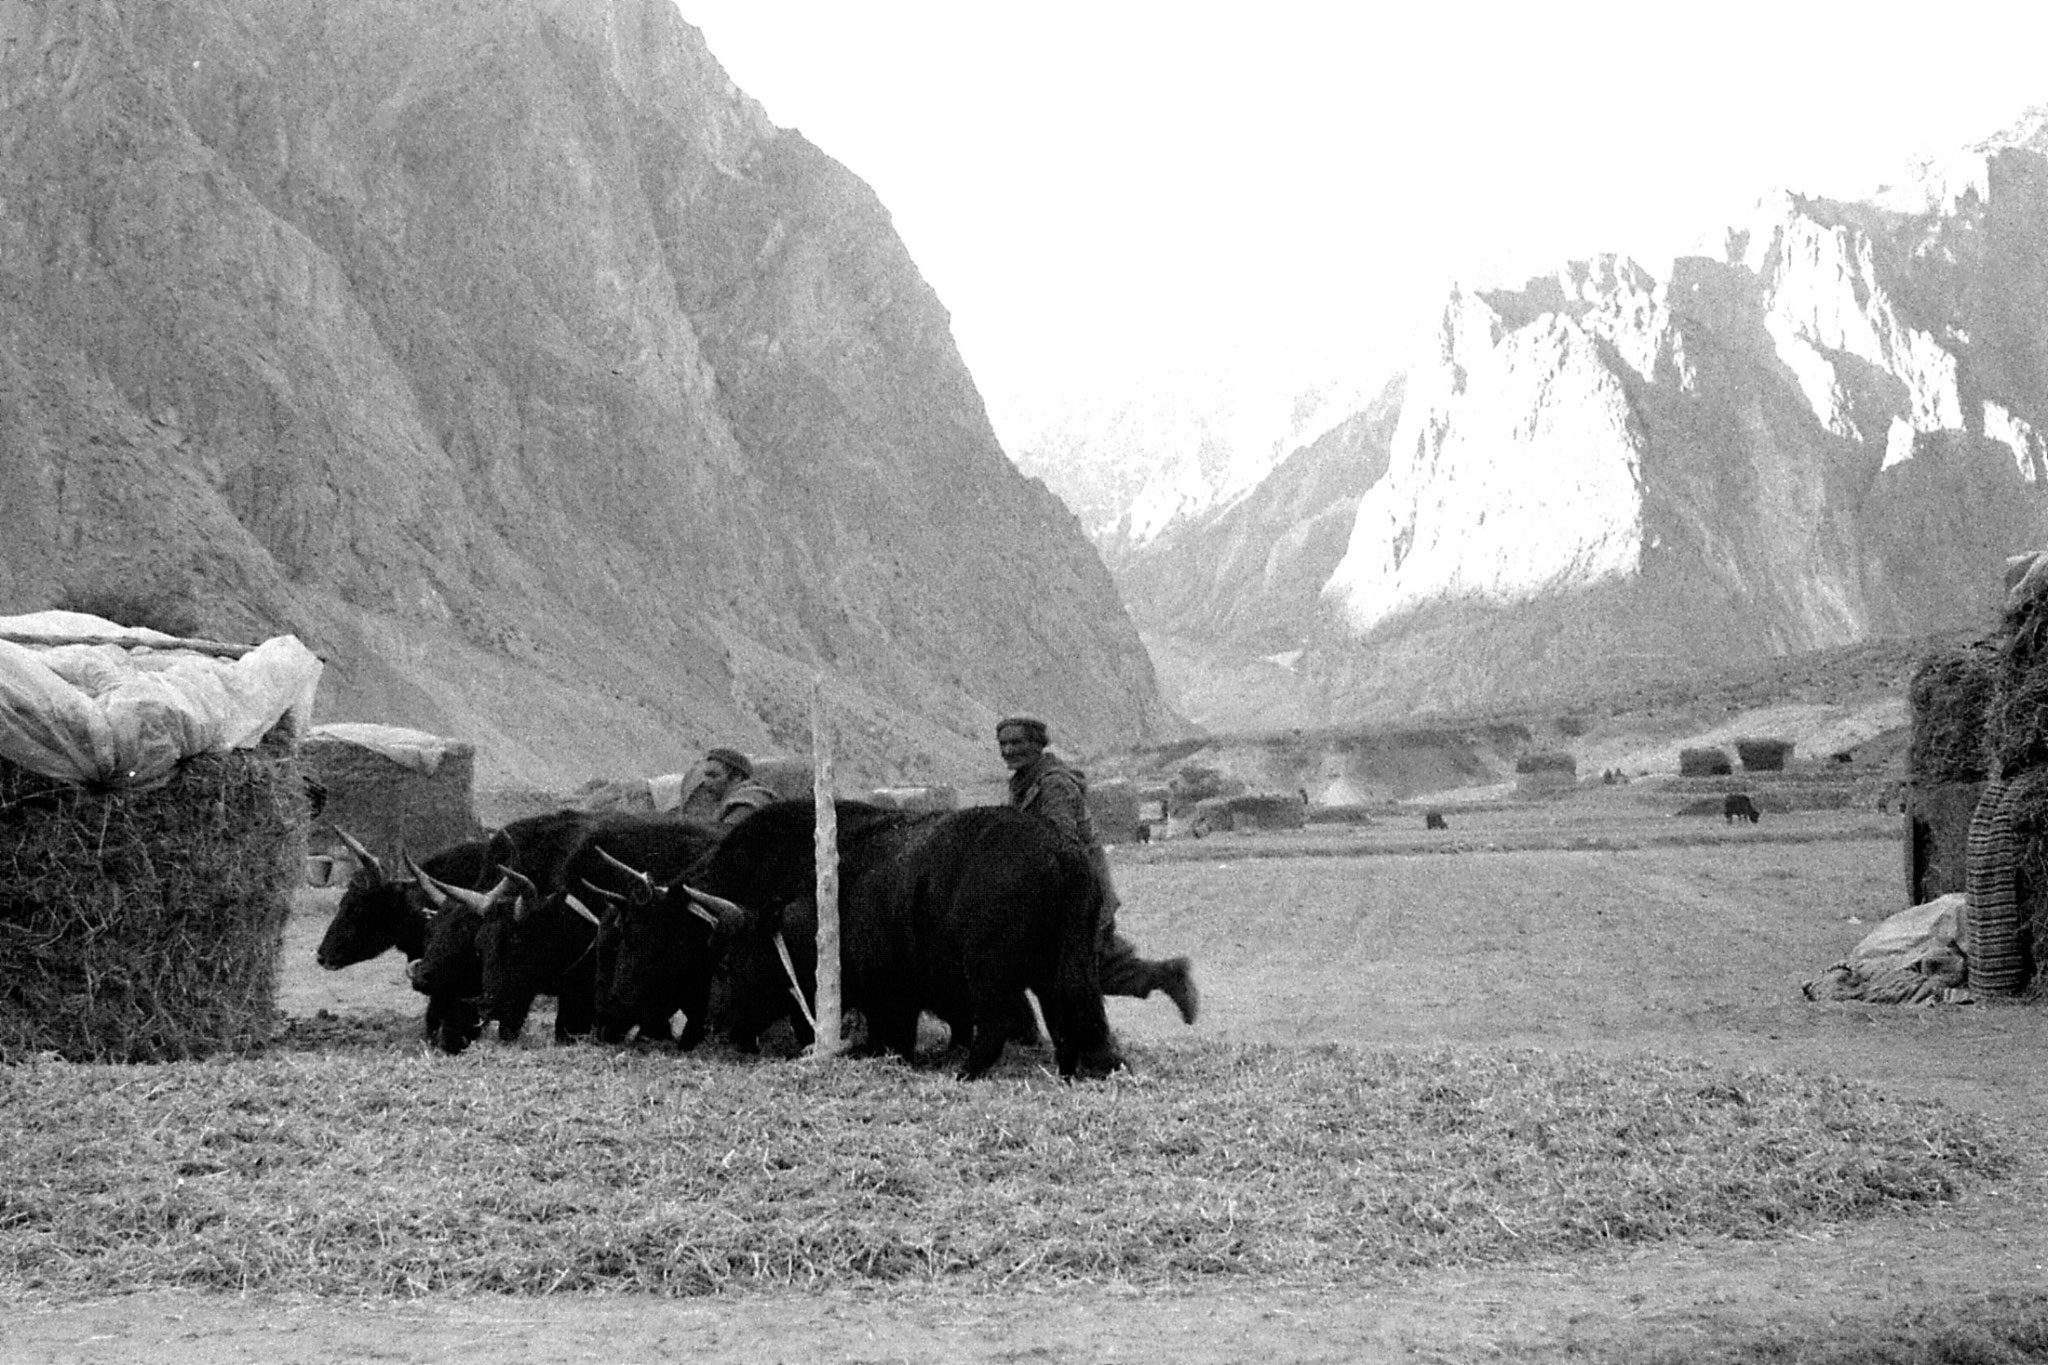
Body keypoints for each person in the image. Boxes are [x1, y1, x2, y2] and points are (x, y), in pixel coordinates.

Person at [996, 716, 1199, 1024]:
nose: (1009, 750)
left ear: (1037, 745)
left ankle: (1165, 979)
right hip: (1064, 890)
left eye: (1017, 742)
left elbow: (1060, 843)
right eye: (1003, 744)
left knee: (1080, 970)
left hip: (1078, 892)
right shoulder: (1027, 780)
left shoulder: (1052, 786)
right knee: (1070, 964)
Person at [677, 747, 777, 827]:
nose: (706, 782)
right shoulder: (726, 801)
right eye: (706, 775)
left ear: (736, 777)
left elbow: (722, 838)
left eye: (713, 776)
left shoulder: (747, 803)